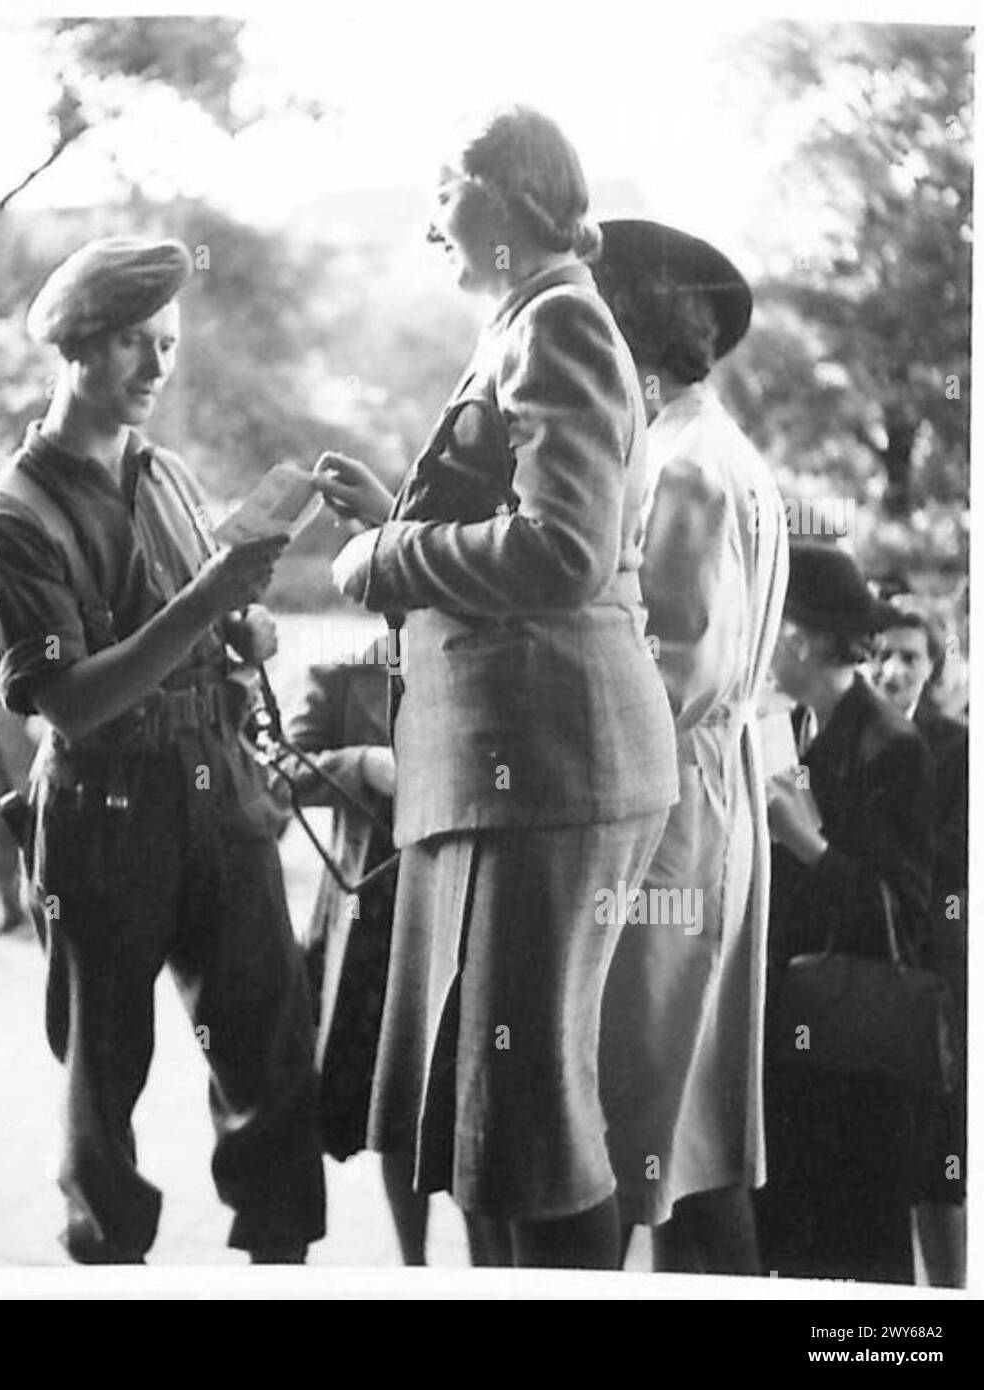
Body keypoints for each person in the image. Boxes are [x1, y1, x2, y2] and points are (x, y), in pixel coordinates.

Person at [315, 106, 678, 1269]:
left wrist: (385, 556)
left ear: (514, 197)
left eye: (443, 190)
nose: (430, 224)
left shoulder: (555, 319)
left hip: (546, 770)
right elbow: (532, 533)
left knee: (529, 1117)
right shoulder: (538, 318)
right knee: (497, 1118)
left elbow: (563, 550)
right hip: (526, 767)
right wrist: (403, 521)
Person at [0, 235, 325, 1264]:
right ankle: (109, 1263)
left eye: (165, 345)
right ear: (76, 345)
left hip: (218, 791)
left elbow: (204, 625)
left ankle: (280, 1264)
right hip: (105, 809)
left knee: (273, 1050)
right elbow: (71, 703)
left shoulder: (166, 476)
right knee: (101, 1082)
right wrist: (213, 596)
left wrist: (243, 629)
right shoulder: (8, 519)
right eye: (132, 343)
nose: (156, 368)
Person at [593, 220, 789, 1274]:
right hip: (705, 804)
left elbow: (675, 673)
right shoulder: (713, 453)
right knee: (685, 1122)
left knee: (639, 1110)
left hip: (671, 813)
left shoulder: (685, 466)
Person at [756, 542, 935, 1284]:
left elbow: (905, 916)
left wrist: (808, 845)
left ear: (799, 634)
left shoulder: (890, 744)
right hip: (798, 1040)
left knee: (858, 1254)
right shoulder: (795, 724)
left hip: (854, 1055)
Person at [284, 644, 430, 1263]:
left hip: (467, 894)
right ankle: (414, 1264)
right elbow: (283, 767)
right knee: (393, 1102)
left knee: (460, 1094)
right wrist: (365, 765)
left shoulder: (486, 640)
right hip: (371, 907)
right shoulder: (345, 666)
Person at [874, 604, 967, 1286]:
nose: (893, 670)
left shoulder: (956, 747)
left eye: (910, 657)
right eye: (881, 654)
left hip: (932, 969)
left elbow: (953, 858)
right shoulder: (841, 736)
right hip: (861, 965)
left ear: (931, 667)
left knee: (939, 1165)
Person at [0, 680, 39, 936]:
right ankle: (11, 912)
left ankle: (37, 917)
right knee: (0, 830)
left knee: (30, 829)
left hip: (21, 729)